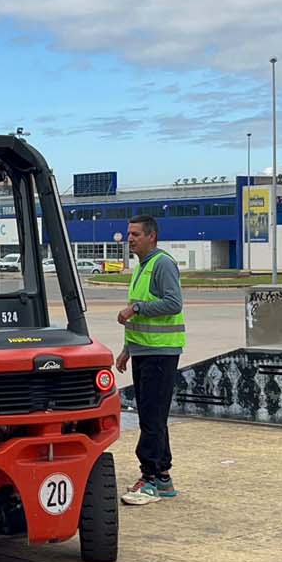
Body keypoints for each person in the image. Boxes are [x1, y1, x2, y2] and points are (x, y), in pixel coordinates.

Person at [115, 215, 186, 506]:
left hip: (161, 352)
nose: (129, 238)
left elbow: (174, 302)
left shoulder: (162, 264)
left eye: (135, 234)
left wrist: (136, 308)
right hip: (144, 350)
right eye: (128, 233)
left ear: (151, 236)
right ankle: (163, 477)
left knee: (151, 418)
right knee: (152, 417)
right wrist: (127, 349)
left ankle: (151, 478)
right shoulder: (140, 267)